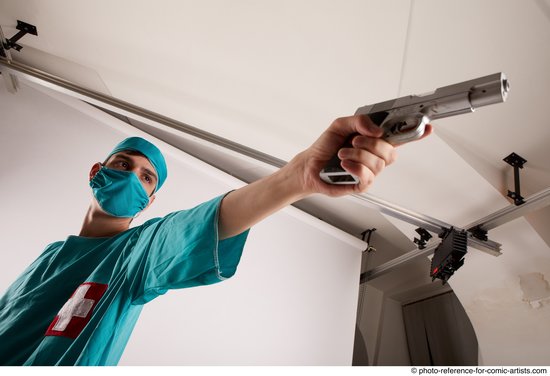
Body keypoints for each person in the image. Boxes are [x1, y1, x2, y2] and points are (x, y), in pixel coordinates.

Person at [0, 114, 431, 366]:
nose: (132, 175)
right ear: (97, 172)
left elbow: (200, 226)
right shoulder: (49, 256)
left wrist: (296, 178)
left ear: (149, 202)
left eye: (146, 177)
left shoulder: (136, 252)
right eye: (122, 164)